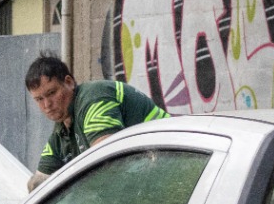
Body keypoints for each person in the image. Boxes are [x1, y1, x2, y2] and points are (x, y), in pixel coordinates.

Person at [26, 55, 168, 189]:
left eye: (51, 93)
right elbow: (38, 183)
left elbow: (105, 162)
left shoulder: (94, 98)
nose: (47, 105)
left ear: (69, 82)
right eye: (39, 99)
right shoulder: (63, 128)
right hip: (156, 172)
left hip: (171, 161)